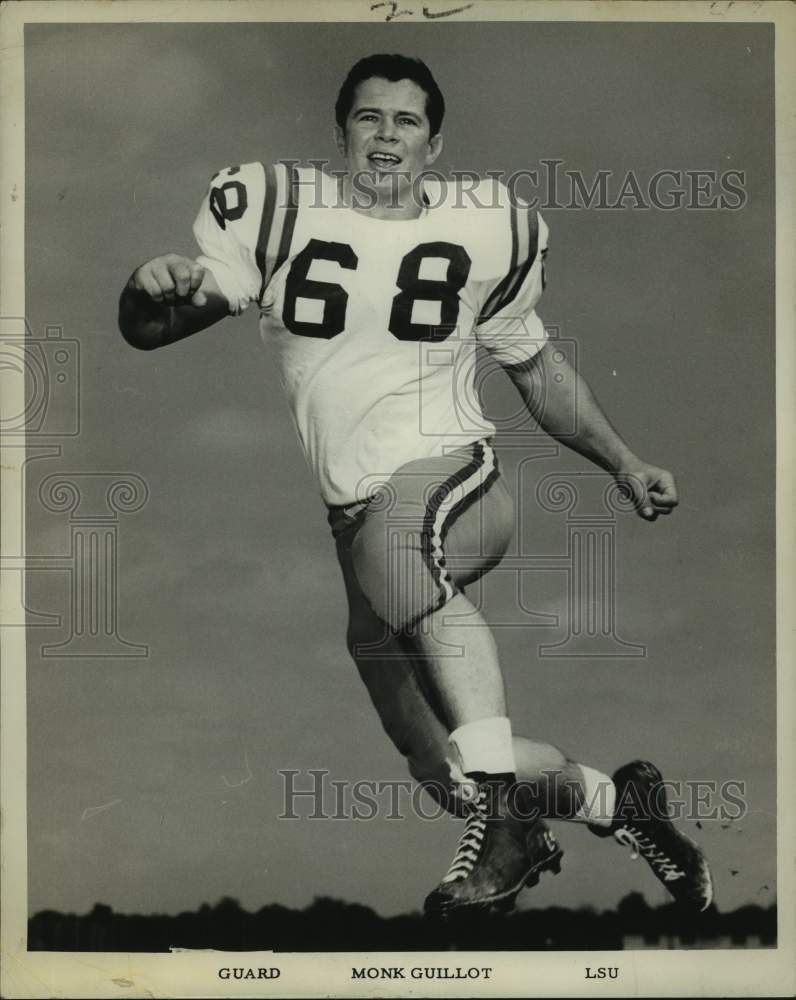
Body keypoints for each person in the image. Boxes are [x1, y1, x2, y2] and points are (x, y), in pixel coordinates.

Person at [118, 53, 712, 917]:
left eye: (405, 122)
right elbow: (155, 325)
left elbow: (536, 370)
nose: (386, 136)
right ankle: (623, 807)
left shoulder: (485, 229)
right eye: (369, 118)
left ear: (435, 144)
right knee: (443, 765)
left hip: (451, 477)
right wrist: (149, 287)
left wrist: (623, 462)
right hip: (353, 520)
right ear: (341, 133)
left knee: (402, 557)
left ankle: (508, 829)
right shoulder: (280, 212)